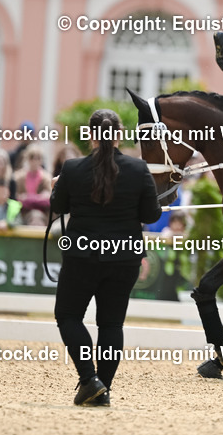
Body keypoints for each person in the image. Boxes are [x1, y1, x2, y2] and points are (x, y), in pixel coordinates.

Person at [51, 108, 162, 407]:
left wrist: (57, 186)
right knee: (111, 325)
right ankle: (103, 387)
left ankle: (90, 380)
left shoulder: (72, 169)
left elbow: (59, 206)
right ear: (120, 135)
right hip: (124, 257)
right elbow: (151, 214)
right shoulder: (139, 170)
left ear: (90, 136)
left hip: (82, 255)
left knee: (69, 316)